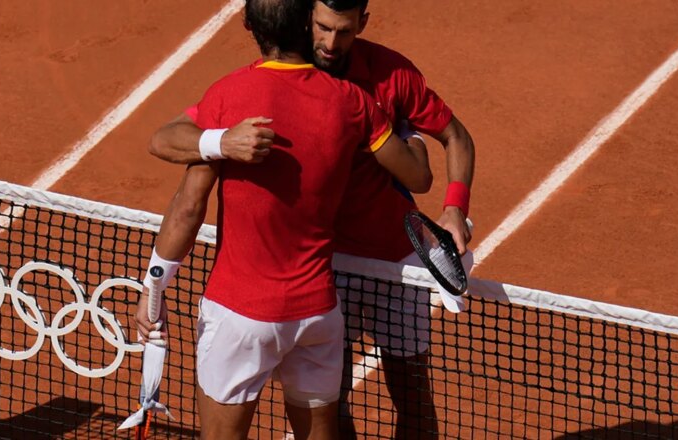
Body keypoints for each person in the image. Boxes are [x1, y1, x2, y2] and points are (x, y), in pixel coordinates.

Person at [149, 1, 477, 438]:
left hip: (394, 264)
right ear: (306, 20)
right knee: (331, 403)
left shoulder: (390, 76)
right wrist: (223, 141)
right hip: (328, 270)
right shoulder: (301, 91)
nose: (330, 42)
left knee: (411, 391)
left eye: (344, 32)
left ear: (362, 22)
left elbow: (452, 141)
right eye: (322, 28)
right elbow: (169, 136)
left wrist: (455, 206)